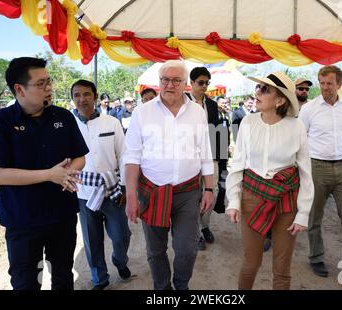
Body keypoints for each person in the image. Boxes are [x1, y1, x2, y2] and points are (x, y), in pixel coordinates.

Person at [0, 57, 88, 290]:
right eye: (41, 84)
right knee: (26, 282)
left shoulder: (63, 117)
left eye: (48, 81)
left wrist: (67, 173)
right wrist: (49, 174)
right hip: (22, 220)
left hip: (62, 215)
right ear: (19, 89)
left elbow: (80, 157)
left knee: (62, 276)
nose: (49, 88)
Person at [124, 60, 215, 290]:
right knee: (156, 250)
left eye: (176, 80)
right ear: (159, 82)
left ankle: (181, 286)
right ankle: (162, 289)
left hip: (188, 192)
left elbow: (205, 152)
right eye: (165, 79)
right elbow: (132, 158)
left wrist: (210, 188)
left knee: (187, 247)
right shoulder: (141, 113)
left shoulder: (197, 112)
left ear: (186, 84)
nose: (169, 85)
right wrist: (131, 197)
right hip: (152, 191)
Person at [225, 71, 314, 290]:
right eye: (258, 88)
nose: (257, 92)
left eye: (265, 90)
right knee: (250, 264)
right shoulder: (247, 122)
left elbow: (305, 173)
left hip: (285, 201)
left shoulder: (297, 126)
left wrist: (303, 214)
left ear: (281, 99)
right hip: (252, 197)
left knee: (282, 268)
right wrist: (234, 201)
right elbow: (238, 165)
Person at [71, 80, 132, 290]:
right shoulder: (69, 126)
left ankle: (120, 261)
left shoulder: (111, 123)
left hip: (112, 189)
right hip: (84, 192)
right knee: (91, 240)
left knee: (122, 236)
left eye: (87, 94)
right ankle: (100, 278)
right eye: (77, 95)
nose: (82, 99)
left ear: (95, 97)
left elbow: (123, 155)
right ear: (73, 98)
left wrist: (124, 186)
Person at [299, 65, 342, 278]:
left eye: (329, 83)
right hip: (317, 166)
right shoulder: (309, 109)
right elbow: (301, 139)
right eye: (321, 83)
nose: (324, 87)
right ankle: (316, 257)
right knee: (314, 216)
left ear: (339, 84)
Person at [186, 67, 221, 251]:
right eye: (201, 82)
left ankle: (205, 225)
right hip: (189, 157)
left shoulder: (213, 105)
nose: (205, 86)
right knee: (192, 195)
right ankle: (196, 230)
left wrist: (221, 158)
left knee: (211, 192)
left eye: (207, 83)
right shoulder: (183, 102)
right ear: (191, 83)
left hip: (211, 156)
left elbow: (218, 132)